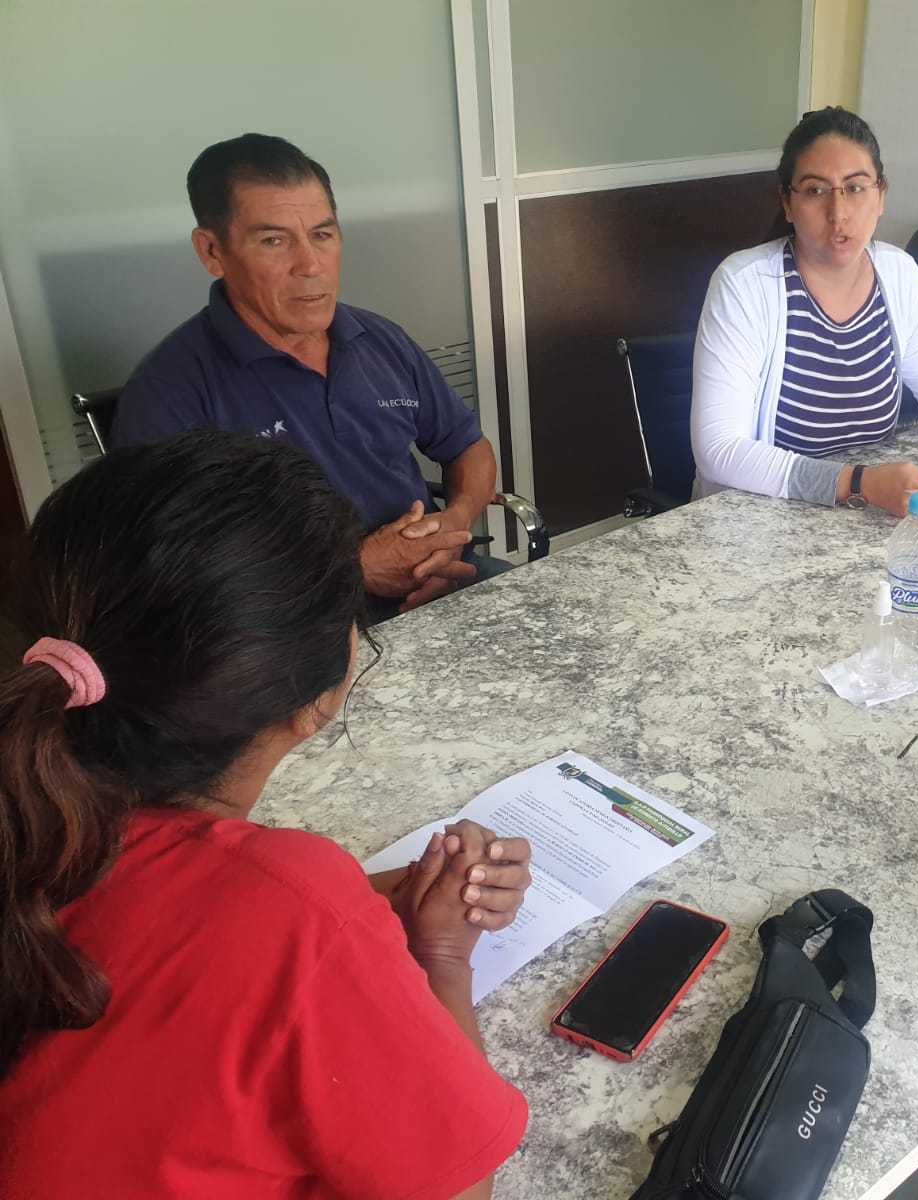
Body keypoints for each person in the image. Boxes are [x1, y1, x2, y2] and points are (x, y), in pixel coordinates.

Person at [0, 433, 531, 1197]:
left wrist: (369, 905)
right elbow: (459, 1188)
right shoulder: (294, 914)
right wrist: (441, 955)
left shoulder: (33, 810)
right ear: (321, 691)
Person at [114, 133, 506, 616]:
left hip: (438, 583)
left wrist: (454, 525)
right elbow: (165, 568)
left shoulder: (379, 340)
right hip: (293, 628)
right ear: (212, 251)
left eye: (322, 234)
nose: (311, 265)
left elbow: (468, 447)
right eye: (274, 240)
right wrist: (351, 568)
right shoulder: (169, 391)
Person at [691, 107, 918, 517]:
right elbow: (719, 450)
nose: (839, 213)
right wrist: (859, 483)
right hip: (758, 520)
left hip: (863, 522)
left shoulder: (898, 274)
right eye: (816, 191)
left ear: (881, 195)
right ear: (788, 202)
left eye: (856, 187)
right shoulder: (744, 284)